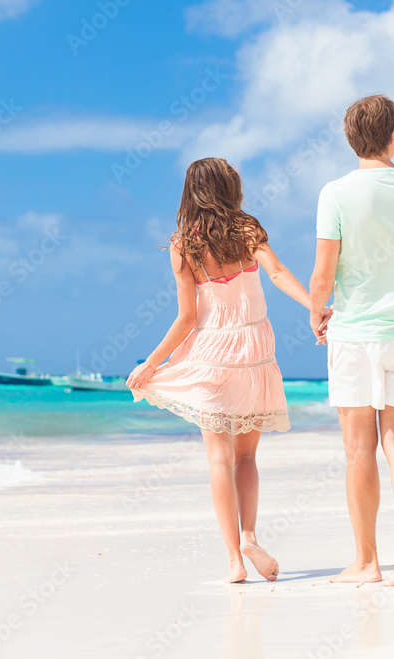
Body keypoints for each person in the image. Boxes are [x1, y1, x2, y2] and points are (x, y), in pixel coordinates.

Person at [127, 157, 332, 583]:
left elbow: (187, 318)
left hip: (211, 353)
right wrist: (316, 308)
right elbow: (276, 274)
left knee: (218, 460)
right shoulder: (246, 230)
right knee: (246, 456)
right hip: (254, 353)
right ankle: (250, 535)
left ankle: (235, 563)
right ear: (230, 187)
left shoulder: (184, 245)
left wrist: (152, 362)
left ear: (191, 192)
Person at [309, 94, 394, 586]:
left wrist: (318, 313)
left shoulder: (335, 193)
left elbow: (322, 277)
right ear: (392, 135)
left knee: (359, 449)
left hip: (355, 335)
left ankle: (366, 562)